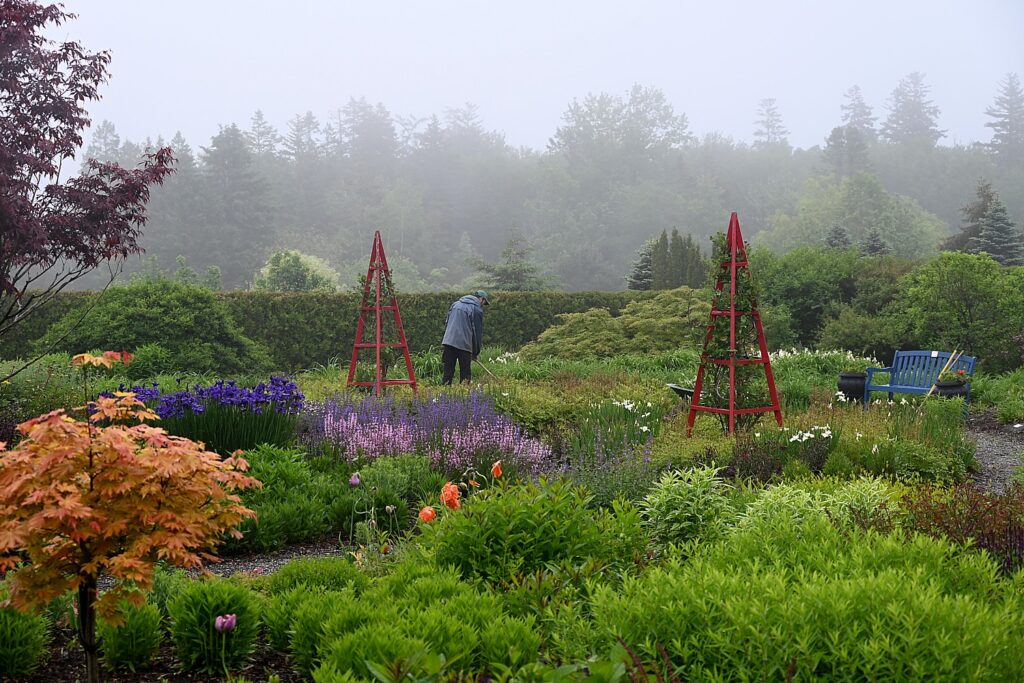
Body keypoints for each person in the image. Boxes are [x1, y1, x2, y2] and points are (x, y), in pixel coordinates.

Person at [441, 290, 489, 384]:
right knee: (465, 375)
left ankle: (444, 395)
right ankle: (465, 397)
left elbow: (447, 323)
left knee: (447, 373)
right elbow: (476, 333)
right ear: (481, 299)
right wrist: (475, 352)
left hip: (448, 341)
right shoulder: (476, 310)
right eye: (484, 302)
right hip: (464, 344)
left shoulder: (455, 304)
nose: (483, 304)